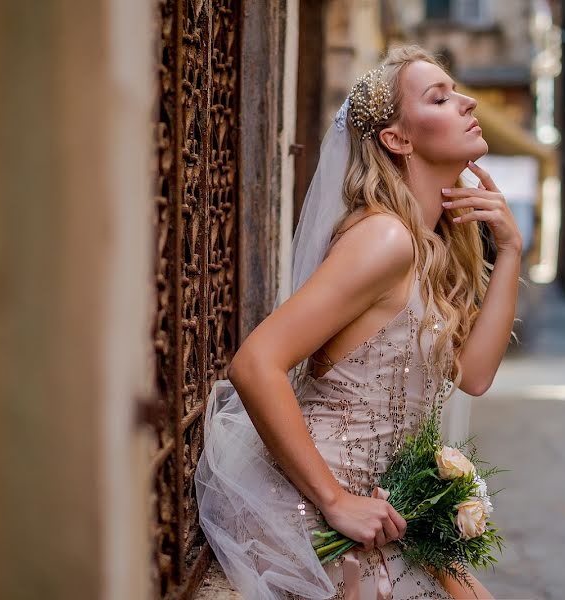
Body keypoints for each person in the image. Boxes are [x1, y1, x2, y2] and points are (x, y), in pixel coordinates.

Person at [195, 44, 523, 600]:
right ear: (397, 139)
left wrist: (511, 250)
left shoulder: (429, 245)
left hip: (384, 512)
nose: (467, 102)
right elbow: (256, 363)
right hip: (318, 517)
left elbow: (474, 375)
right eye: (439, 97)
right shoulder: (384, 238)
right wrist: (335, 501)